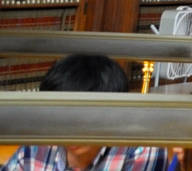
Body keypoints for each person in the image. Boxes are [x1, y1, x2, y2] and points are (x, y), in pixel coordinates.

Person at [1, 54, 167, 171]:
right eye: (60, 119)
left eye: (82, 120)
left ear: (113, 115)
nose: (70, 132)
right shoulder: (38, 145)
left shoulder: (141, 150)